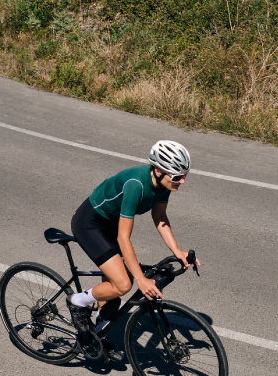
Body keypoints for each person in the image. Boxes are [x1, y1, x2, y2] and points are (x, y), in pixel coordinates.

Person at [67, 140, 200, 360]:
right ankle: (77, 302)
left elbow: (160, 217)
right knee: (123, 284)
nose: (182, 181)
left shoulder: (164, 184)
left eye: (184, 175)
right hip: (89, 224)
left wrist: (177, 250)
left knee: (114, 288)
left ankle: (98, 334)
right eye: (177, 176)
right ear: (158, 171)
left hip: (110, 225)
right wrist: (140, 279)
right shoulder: (135, 184)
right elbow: (123, 237)